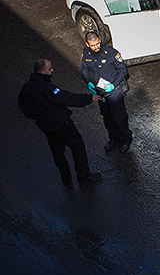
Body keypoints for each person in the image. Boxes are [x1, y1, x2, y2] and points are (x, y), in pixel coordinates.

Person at [18, 58, 102, 186]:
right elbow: (67, 98)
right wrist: (89, 98)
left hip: (47, 128)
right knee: (78, 147)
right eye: (49, 69)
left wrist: (35, 117)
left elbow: (22, 104)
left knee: (58, 153)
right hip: (62, 125)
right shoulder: (48, 88)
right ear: (42, 71)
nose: (52, 70)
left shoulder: (27, 88)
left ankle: (66, 179)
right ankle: (83, 176)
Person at [80, 32, 132, 153]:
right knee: (107, 117)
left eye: (98, 43)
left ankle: (125, 139)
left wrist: (113, 85)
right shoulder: (86, 54)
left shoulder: (111, 53)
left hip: (114, 91)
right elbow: (84, 70)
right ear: (87, 44)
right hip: (100, 93)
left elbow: (122, 70)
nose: (96, 47)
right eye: (93, 45)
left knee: (119, 117)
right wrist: (89, 82)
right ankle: (113, 138)